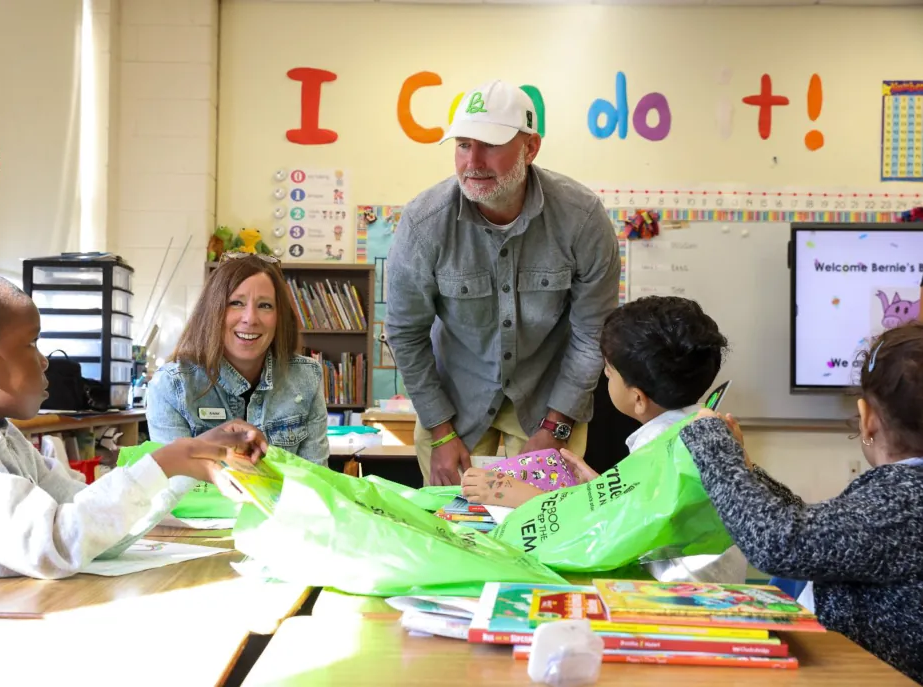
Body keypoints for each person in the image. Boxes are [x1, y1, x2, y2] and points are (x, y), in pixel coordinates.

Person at [0, 271, 267, 601]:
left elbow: (97, 530)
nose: (45, 361)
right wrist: (168, 461)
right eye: (31, 343)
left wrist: (186, 462)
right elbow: (51, 544)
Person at [386, 79, 620, 486]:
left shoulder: (582, 218)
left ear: (531, 147)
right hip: (453, 406)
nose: (473, 161)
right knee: (453, 532)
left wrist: (556, 425)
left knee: (543, 530)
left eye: (490, 144)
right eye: (463, 144)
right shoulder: (424, 224)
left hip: (550, 397)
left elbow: (591, 335)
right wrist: (441, 431)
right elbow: (406, 334)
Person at [682, 324, 923, 684]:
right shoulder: (902, 493)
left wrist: (712, 445)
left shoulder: (905, 500)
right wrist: (747, 471)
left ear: (868, 419)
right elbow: (807, 526)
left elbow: (779, 541)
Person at [461, 296, 728, 508]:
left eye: (609, 372)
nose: (604, 375)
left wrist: (518, 495)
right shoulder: (694, 426)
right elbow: (639, 507)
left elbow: (613, 530)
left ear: (638, 398)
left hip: (669, 578)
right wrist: (600, 486)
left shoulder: (656, 448)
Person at [146, 252, 329, 465]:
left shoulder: (306, 377)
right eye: (236, 303)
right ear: (212, 311)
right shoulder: (171, 385)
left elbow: (315, 479)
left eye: (265, 305)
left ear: (279, 317)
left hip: (284, 500)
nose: (250, 318)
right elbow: (172, 480)